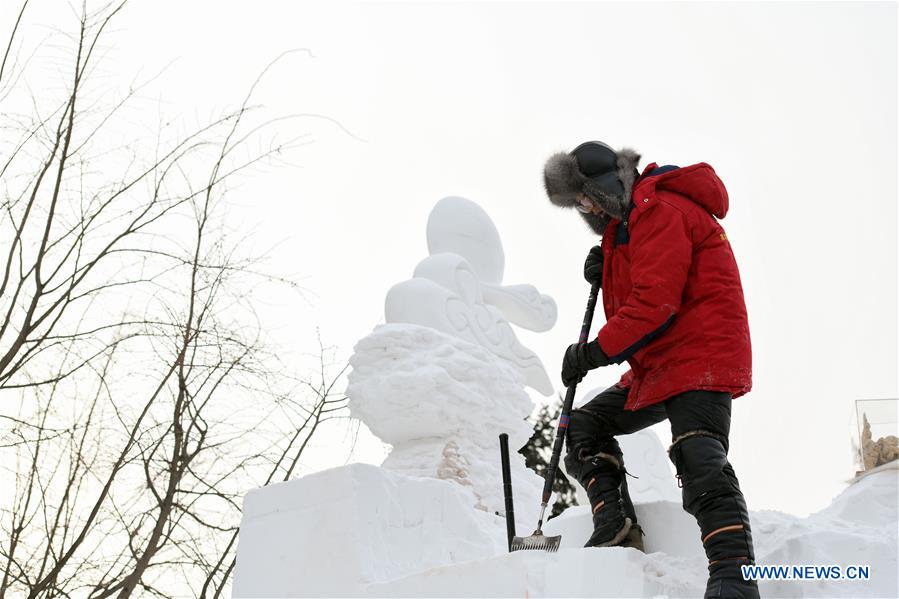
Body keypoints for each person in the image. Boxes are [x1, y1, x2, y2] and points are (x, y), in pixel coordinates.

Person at [542, 141, 760, 599]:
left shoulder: (660, 210)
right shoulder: (627, 227)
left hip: (699, 353)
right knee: (583, 426)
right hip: (659, 364)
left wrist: (593, 352)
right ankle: (614, 523)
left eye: (583, 197)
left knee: (697, 456)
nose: (582, 208)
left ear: (603, 187)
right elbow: (642, 295)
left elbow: (654, 304)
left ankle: (734, 580)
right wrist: (612, 258)